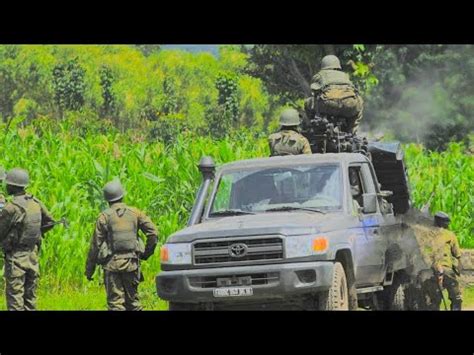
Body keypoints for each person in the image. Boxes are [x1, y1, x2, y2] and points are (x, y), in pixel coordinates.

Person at [85, 180, 158, 311]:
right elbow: (153, 233)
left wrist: (89, 270)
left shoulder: (104, 217)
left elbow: (95, 246)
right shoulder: (136, 213)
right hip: (132, 264)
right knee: (134, 304)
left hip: (112, 266)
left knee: (115, 305)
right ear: (122, 195)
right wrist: (146, 254)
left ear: (107, 199)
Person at [0, 168, 55, 310]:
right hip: (32, 256)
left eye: (8, 184)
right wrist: (36, 232)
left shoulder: (11, 208)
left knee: (15, 300)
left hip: (16, 259)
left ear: (12, 186)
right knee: (30, 300)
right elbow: (50, 222)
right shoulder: (35, 202)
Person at [305, 55, 364, 135]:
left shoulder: (319, 75)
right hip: (349, 104)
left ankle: (314, 128)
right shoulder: (345, 75)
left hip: (328, 104)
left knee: (308, 102)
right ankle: (352, 130)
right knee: (360, 101)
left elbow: (313, 89)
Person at [431, 211, 463, 310]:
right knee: (456, 297)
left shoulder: (427, 234)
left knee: (433, 299)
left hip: (430, 271)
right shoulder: (450, 235)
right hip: (446, 270)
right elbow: (457, 255)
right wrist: (458, 270)